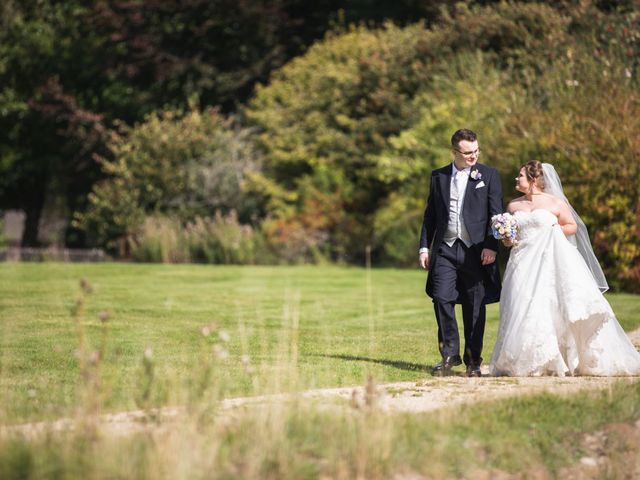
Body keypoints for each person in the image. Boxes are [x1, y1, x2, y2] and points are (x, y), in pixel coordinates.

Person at [489, 161, 640, 376]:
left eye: (520, 175)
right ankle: (528, 360)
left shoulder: (555, 203)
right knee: (521, 304)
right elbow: (510, 240)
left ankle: (558, 358)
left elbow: (572, 226)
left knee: (547, 304)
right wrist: (506, 236)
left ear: (533, 180)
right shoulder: (513, 206)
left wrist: (552, 231)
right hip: (522, 262)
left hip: (548, 260)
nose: (516, 178)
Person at [419, 129, 503, 376]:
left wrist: (491, 245)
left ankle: (473, 361)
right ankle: (449, 354)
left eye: (476, 151)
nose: (473, 156)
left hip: (476, 251)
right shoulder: (439, 176)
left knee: (474, 306)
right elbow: (430, 215)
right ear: (454, 152)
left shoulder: (489, 175)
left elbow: (495, 215)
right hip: (445, 248)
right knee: (441, 298)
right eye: (467, 153)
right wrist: (425, 246)